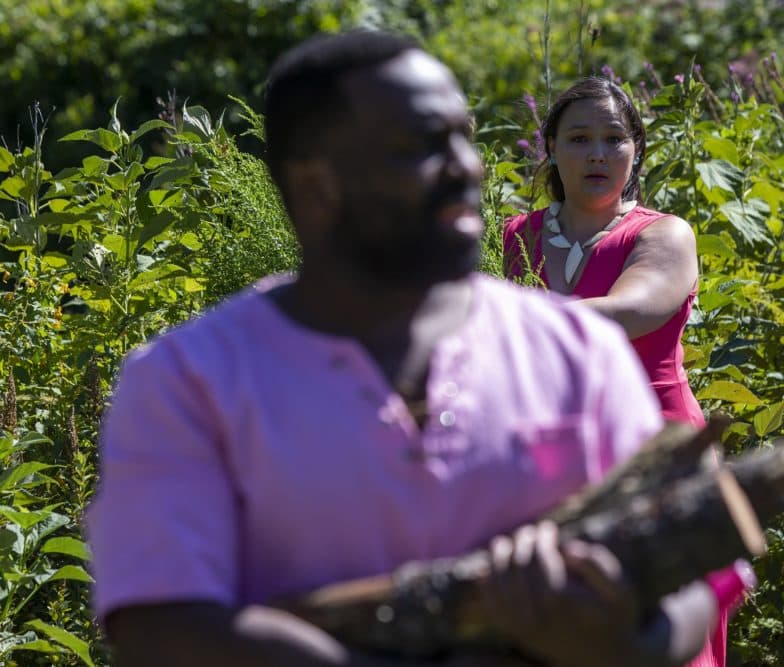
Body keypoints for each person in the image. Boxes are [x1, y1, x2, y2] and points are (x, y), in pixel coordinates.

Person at [86, 31, 737, 667]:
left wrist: (617, 644)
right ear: (315, 185)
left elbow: (695, 577)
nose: (467, 166)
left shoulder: (574, 353)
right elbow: (157, 620)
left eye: (463, 137)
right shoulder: (189, 381)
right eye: (419, 146)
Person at [503, 79, 727, 667]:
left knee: (659, 627)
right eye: (579, 139)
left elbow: (630, 311)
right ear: (551, 148)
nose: (597, 154)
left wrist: (494, 319)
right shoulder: (510, 238)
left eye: (613, 139)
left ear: (636, 151)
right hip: (547, 459)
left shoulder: (663, 234)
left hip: (659, 446)